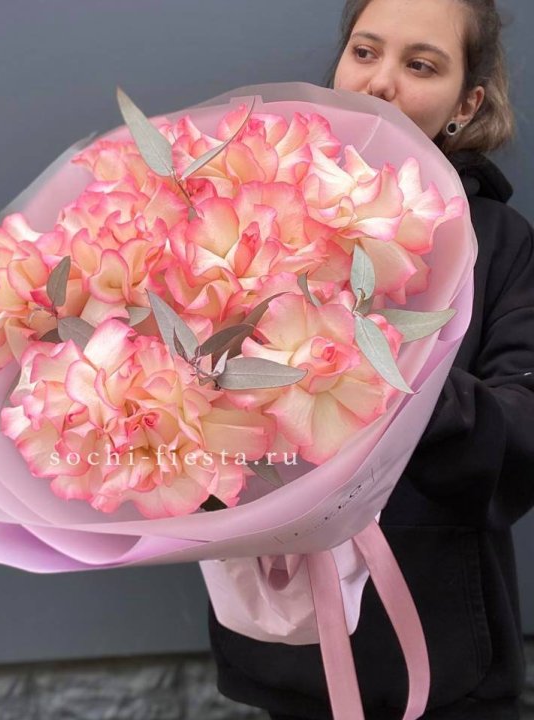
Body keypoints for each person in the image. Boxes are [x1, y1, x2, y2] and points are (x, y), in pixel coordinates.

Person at [208, 1, 534, 718]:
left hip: (446, 663)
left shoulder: (500, 244)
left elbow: (521, 444)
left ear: (466, 103)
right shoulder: (249, 215)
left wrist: (388, 373)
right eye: (364, 51)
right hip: (283, 655)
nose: (381, 81)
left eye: (421, 64)